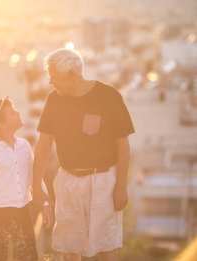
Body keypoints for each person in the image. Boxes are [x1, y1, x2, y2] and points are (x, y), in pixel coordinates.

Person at [32, 48, 135, 261]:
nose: (51, 82)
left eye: (54, 77)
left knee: (107, 246)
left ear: (72, 75)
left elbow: (123, 147)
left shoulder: (109, 96)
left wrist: (121, 187)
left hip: (104, 183)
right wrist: (36, 186)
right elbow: (43, 145)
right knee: (70, 249)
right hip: (68, 181)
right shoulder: (54, 100)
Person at [0, 95, 53, 261]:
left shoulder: (24, 146)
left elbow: (35, 176)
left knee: (28, 256)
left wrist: (45, 202)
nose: (18, 113)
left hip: (23, 210)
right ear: (1, 124)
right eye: (12, 113)